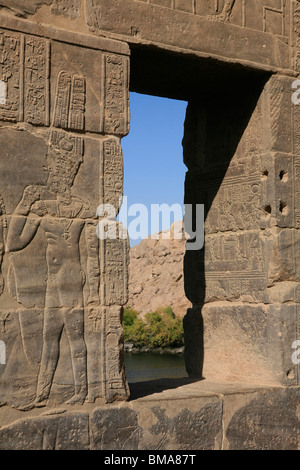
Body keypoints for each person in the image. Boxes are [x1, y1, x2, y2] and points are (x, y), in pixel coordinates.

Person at [7, 132, 98, 405]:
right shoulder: (42, 208)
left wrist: (93, 287)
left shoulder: (84, 208)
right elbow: (14, 243)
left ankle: (82, 391)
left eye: (60, 173)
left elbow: (94, 250)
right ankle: (43, 393)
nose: (55, 178)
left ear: (68, 176)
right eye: (54, 172)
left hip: (71, 277)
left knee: (75, 336)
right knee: (50, 339)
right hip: (53, 279)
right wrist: (23, 205)